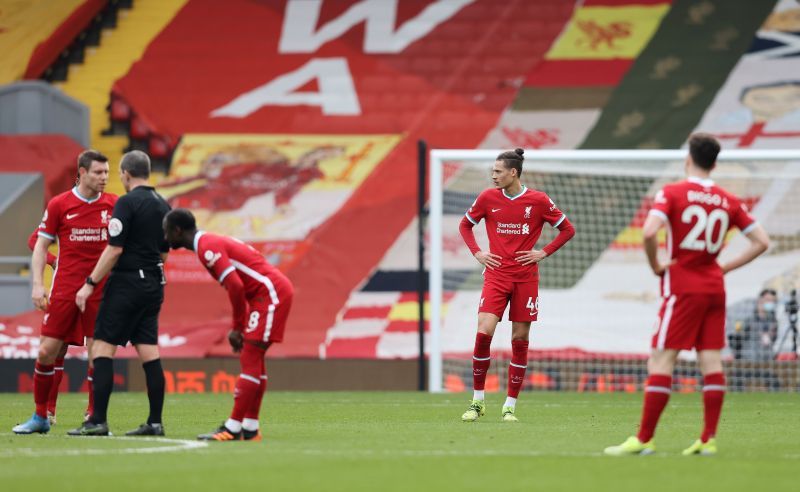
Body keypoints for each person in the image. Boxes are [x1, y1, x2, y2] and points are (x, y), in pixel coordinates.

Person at [604, 133, 770, 456]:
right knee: (711, 361)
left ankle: (644, 438)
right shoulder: (729, 200)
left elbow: (650, 231)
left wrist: (656, 264)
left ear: (687, 159)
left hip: (682, 287)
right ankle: (708, 440)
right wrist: (725, 267)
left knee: (662, 358)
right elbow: (762, 241)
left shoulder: (673, 192)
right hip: (714, 287)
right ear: (715, 163)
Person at [458, 148, 575, 422]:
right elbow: (465, 225)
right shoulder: (487, 198)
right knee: (483, 331)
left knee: (519, 339)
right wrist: (478, 253)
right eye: (493, 171)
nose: (493, 176)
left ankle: (510, 405)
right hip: (496, 276)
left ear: (513, 172)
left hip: (525, 279)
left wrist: (542, 252)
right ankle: (477, 402)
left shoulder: (538, 200)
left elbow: (568, 229)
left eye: (498, 171)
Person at [163, 208, 293, 441]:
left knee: (250, 356)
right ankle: (250, 428)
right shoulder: (209, 241)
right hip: (267, 293)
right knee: (255, 359)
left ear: (177, 231)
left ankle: (232, 427)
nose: (165, 238)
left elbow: (235, 285)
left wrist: (237, 327)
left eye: (166, 232)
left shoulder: (206, 247)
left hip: (269, 293)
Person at [68, 150, 171, 437]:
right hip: (154, 284)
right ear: (147, 172)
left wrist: (90, 282)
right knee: (149, 352)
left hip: (127, 284)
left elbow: (114, 248)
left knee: (101, 347)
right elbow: (164, 251)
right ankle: (154, 422)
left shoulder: (126, 202)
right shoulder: (163, 204)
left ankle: (97, 421)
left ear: (125, 173)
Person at [12, 151, 117, 434]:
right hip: (65, 288)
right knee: (48, 351)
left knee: (99, 354)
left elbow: (122, 247)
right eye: (98, 172)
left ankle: (94, 416)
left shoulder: (115, 205)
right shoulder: (60, 204)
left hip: (102, 289)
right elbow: (39, 244)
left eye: (107, 172)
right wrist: (37, 284)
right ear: (82, 172)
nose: (104, 178)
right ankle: (41, 416)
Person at [727, 288, 779, 361]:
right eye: (768, 300)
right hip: (748, 361)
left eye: (773, 301)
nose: (770, 303)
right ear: (760, 299)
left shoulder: (773, 321)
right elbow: (735, 339)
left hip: (767, 361)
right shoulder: (748, 319)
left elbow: (772, 340)